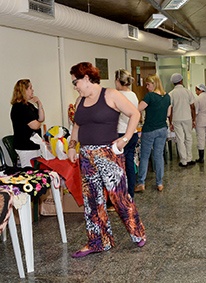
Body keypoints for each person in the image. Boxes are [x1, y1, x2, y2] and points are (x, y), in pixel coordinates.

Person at [68, 62, 146, 258]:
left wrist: (125, 138)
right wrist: (72, 145)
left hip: (107, 154)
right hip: (86, 155)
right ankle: (98, 241)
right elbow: (77, 126)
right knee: (92, 200)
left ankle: (137, 233)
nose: (75, 86)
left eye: (75, 82)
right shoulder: (79, 101)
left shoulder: (110, 94)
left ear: (86, 78)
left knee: (119, 196)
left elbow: (134, 113)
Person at [135, 74, 171, 192]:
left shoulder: (149, 96)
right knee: (158, 156)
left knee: (145, 156)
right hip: (162, 129)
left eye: (148, 84)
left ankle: (141, 183)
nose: (146, 87)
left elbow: (138, 109)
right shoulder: (167, 97)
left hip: (149, 129)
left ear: (154, 84)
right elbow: (168, 114)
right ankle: (159, 183)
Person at [115, 69, 139, 198]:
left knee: (118, 166)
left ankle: (120, 195)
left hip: (121, 134)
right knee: (129, 163)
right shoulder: (133, 94)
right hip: (132, 133)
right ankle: (130, 193)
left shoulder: (118, 95)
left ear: (118, 81)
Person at [10, 79, 45, 167]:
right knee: (29, 173)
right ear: (24, 90)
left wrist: (39, 104)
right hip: (25, 147)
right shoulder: (19, 107)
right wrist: (38, 123)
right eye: (30, 88)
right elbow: (36, 126)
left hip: (33, 146)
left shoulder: (29, 106)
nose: (32, 90)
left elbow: (41, 118)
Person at [169, 73, 196, 167]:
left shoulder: (171, 94)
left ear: (173, 83)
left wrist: (170, 122)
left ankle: (183, 161)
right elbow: (192, 107)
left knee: (180, 139)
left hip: (176, 119)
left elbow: (170, 109)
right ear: (181, 81)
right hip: (187, 118)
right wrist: (194, 119)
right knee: (188, 138)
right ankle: (190, 158)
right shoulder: (188, 92)